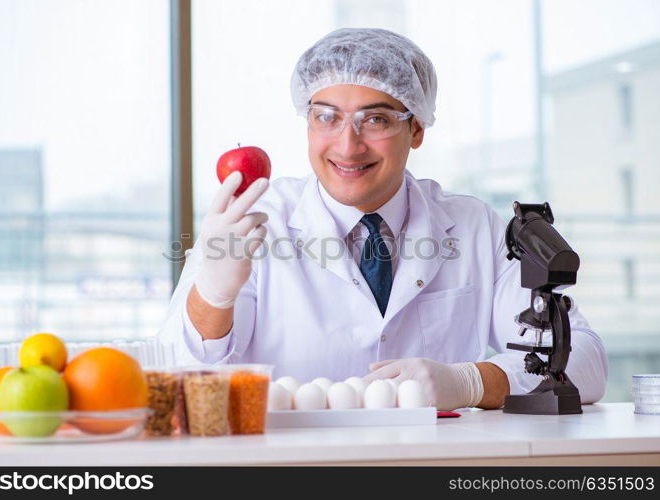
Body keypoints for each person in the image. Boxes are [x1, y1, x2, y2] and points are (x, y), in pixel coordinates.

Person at [158, 28, 607, 410]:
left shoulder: (476, 227)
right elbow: (177, 379)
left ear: (416, 130)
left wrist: (471, 381)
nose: (348, 146)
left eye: (374, 119)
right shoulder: (253, 222)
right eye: (326, 117)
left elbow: (585, 361)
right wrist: (213, 298)